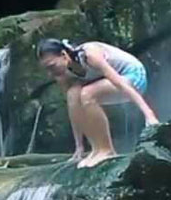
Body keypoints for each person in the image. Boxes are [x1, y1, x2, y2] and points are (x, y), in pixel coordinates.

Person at [37, 38, 159, 168]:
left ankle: (107, 150)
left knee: (88, 94)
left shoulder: (89, 55)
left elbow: (119, 82)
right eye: (47, 69)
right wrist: (79, 147)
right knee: (73, 94)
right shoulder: (62, 73)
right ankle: (96, 150)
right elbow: (73, 106)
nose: (51, 73)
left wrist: (148, 114)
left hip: (134, 77)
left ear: (63, 55)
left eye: (52, 66)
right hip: (111, 83)